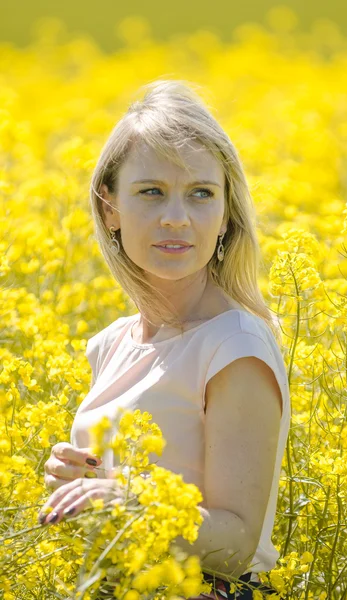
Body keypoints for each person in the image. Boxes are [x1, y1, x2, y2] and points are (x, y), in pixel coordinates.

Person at [39, 79, 291, 599]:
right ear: (109, 208)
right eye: (151, 191)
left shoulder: (235, 347)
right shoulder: (110, 343)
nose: (176, 217)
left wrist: (125, 504)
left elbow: (237, 544)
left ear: (224, 215)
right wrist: (75, 485)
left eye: (201, 194)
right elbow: (115, 507)